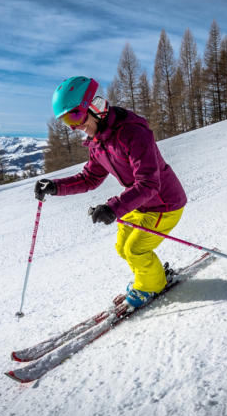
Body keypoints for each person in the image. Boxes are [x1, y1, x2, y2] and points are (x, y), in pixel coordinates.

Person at [34, 76, 187, 310]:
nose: (75, 127)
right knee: (122, 245)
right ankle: (146, 277)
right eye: (66, 121)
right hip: (140, 204)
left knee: (136, 249)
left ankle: (151, 285)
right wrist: (56, 186)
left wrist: (113, 207)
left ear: (94, 106)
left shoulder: (133, 133)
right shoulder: (98, 142)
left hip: (164, 204)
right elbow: (89, 178)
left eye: (75, 115)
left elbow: (148, 184)